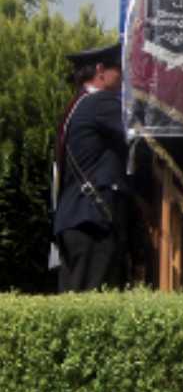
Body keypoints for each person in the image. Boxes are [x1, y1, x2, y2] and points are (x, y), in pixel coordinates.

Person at [52, 42, 134, 292]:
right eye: (119, 69)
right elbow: (140, 132)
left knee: (79, 305)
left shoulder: (79, 105)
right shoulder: (99, 103)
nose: (122, 77)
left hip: (78, 220)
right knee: (92, 304)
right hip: (92, 223)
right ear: (101, 70)